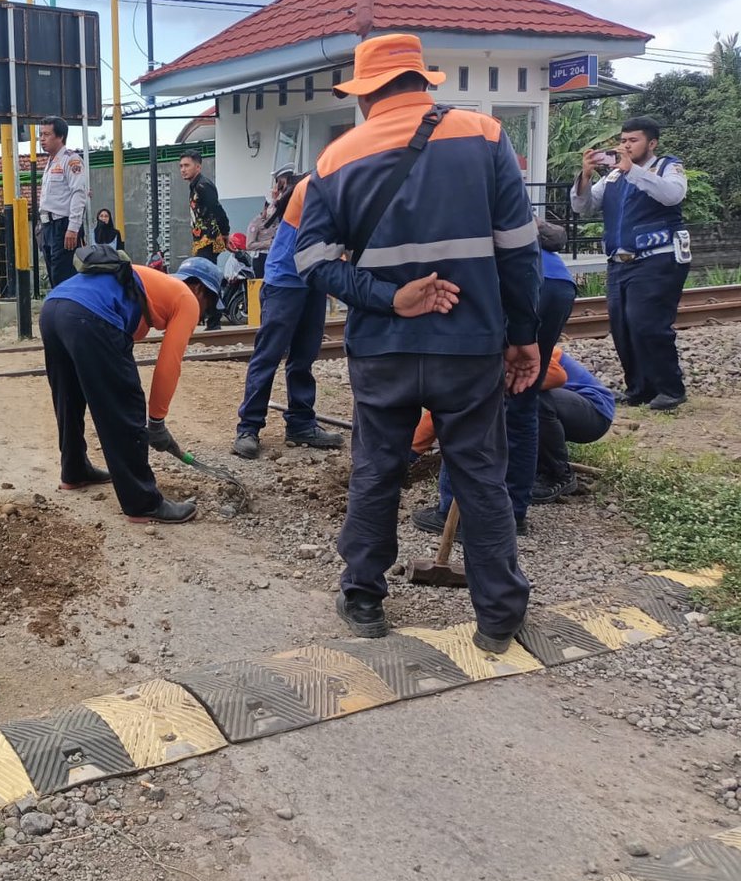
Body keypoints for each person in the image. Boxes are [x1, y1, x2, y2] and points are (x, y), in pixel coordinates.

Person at [294, 32, 540, 653]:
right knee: (479, 475)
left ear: (366, 94)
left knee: (377, 469)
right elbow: (519, 251)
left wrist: (389, 297)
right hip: (470, 344)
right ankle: (498, 617)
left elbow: (312, 263)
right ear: (423, 81)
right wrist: (524, 336)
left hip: (383, 349)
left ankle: (364, 598)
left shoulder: (334, 160)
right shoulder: (484, 136)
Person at [415, 219, 577, 536]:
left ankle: (455, 513)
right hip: (556, 281)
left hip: (507, 279)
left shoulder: (446, 202)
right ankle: (512, 513)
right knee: (523, 400)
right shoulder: (499, 195)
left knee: (467, 397)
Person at [40, 253, 223, 524]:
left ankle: (74, 469)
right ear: (198, 289)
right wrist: (156, 422)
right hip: (87, 315)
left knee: (69, 396)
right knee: (127, 405)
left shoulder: (149, 283)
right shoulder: (186, 299)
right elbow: (168, 365)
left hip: (53, 308)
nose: (204, 313)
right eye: (209, 304)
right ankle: (143, 502)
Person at [572, 116, 689, 410]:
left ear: (652, 143)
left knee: (647, 323)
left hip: (657, 258)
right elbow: (583, 206)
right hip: (619, 262)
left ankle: (670, 389)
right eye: (623, 140)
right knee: (623, 327)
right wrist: (585, 176)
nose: (626, 145)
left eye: (633, 140)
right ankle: (639, 389)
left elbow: (673, 195)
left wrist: (633, 171)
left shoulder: (668, 167)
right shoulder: (614, 176)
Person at [232, 173, 345, 459]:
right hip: (285, 281)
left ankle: (301, 423)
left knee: (304, 355)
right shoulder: (316, 189)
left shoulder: (337, 186)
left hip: (313, 281)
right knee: (268, 355)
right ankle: (248, 428)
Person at [534, 349, 615, 501]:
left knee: (534, 400)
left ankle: (558, 474)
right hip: (568, 407)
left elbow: (557, 377)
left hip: (595, 412)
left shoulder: (525, 343)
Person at [36, 116, 89, 287]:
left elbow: (78, 193)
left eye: (46, 134)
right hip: (47, 226)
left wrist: (73, 228)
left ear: (60, 136)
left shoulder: (71, 160)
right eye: (40, 134)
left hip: (63, 225)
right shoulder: (51, 162)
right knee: (53, 275)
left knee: (63, 276)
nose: (42, 139)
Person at [180, 149, 228, 330]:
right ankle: (210, 319)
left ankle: (213, 319)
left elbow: (218, 210)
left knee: (204, 279)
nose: (183, 169)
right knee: (203, 279)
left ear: (198, 167)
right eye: (181, 166)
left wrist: (225, 233)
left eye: (187, 165)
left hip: (209, 239)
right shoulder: (194, 185)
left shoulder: (203, 185)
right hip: (201, 239)